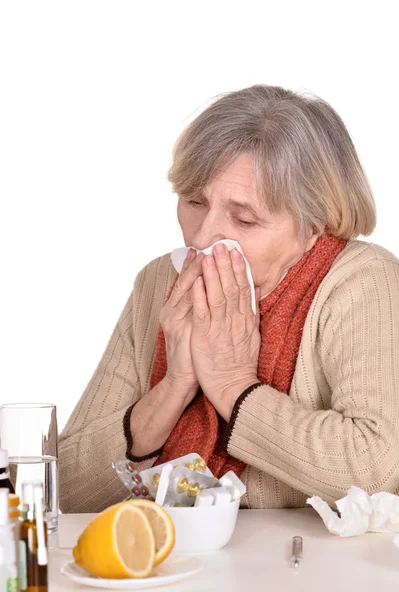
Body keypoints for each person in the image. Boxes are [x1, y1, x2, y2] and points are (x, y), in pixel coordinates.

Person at [59, 85, 399, 514]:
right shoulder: (158, 284)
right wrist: (174, 387)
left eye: (244, 218)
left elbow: (376, 471)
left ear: (316, 226)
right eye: (195, 202)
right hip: (180, 568)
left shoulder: (361, 280)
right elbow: (62, 488)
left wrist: (232, 385)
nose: (202, 238)